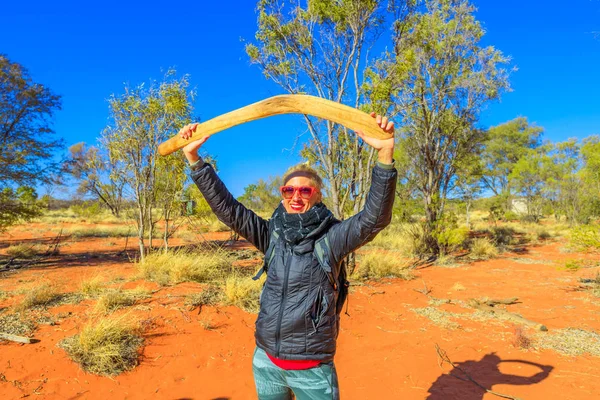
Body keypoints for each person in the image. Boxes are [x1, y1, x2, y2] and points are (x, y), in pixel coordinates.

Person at [179, 112, 397, 400]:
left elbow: (374, 218)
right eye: (288, 189)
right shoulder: (272, 234)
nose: (296, 195)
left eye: (305, 190)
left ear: (317, 195)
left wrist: (385, 153)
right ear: (282, 194)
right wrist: (195, 160)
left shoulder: (332, 239)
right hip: (266, 362)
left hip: (312, 371)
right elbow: (228, 210)